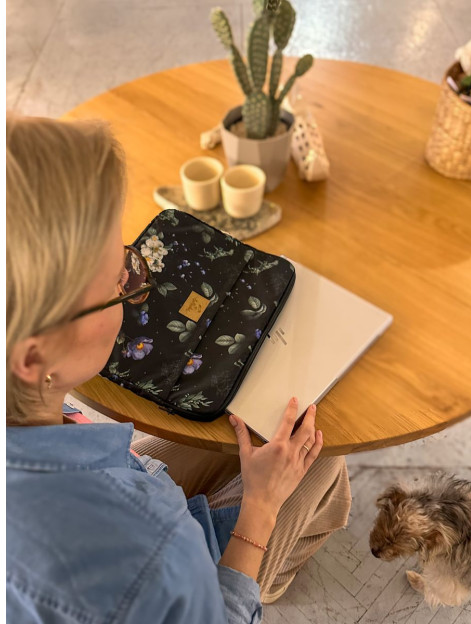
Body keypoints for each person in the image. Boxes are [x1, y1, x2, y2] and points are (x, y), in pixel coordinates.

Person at [6, 114, 351, 623]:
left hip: (137, 500)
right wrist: (260, 509)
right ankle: (270, 579)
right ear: (35, 358)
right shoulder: (150, 553)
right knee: (323, 460)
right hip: (184, 576)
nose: (132, 284)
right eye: (117, 283)